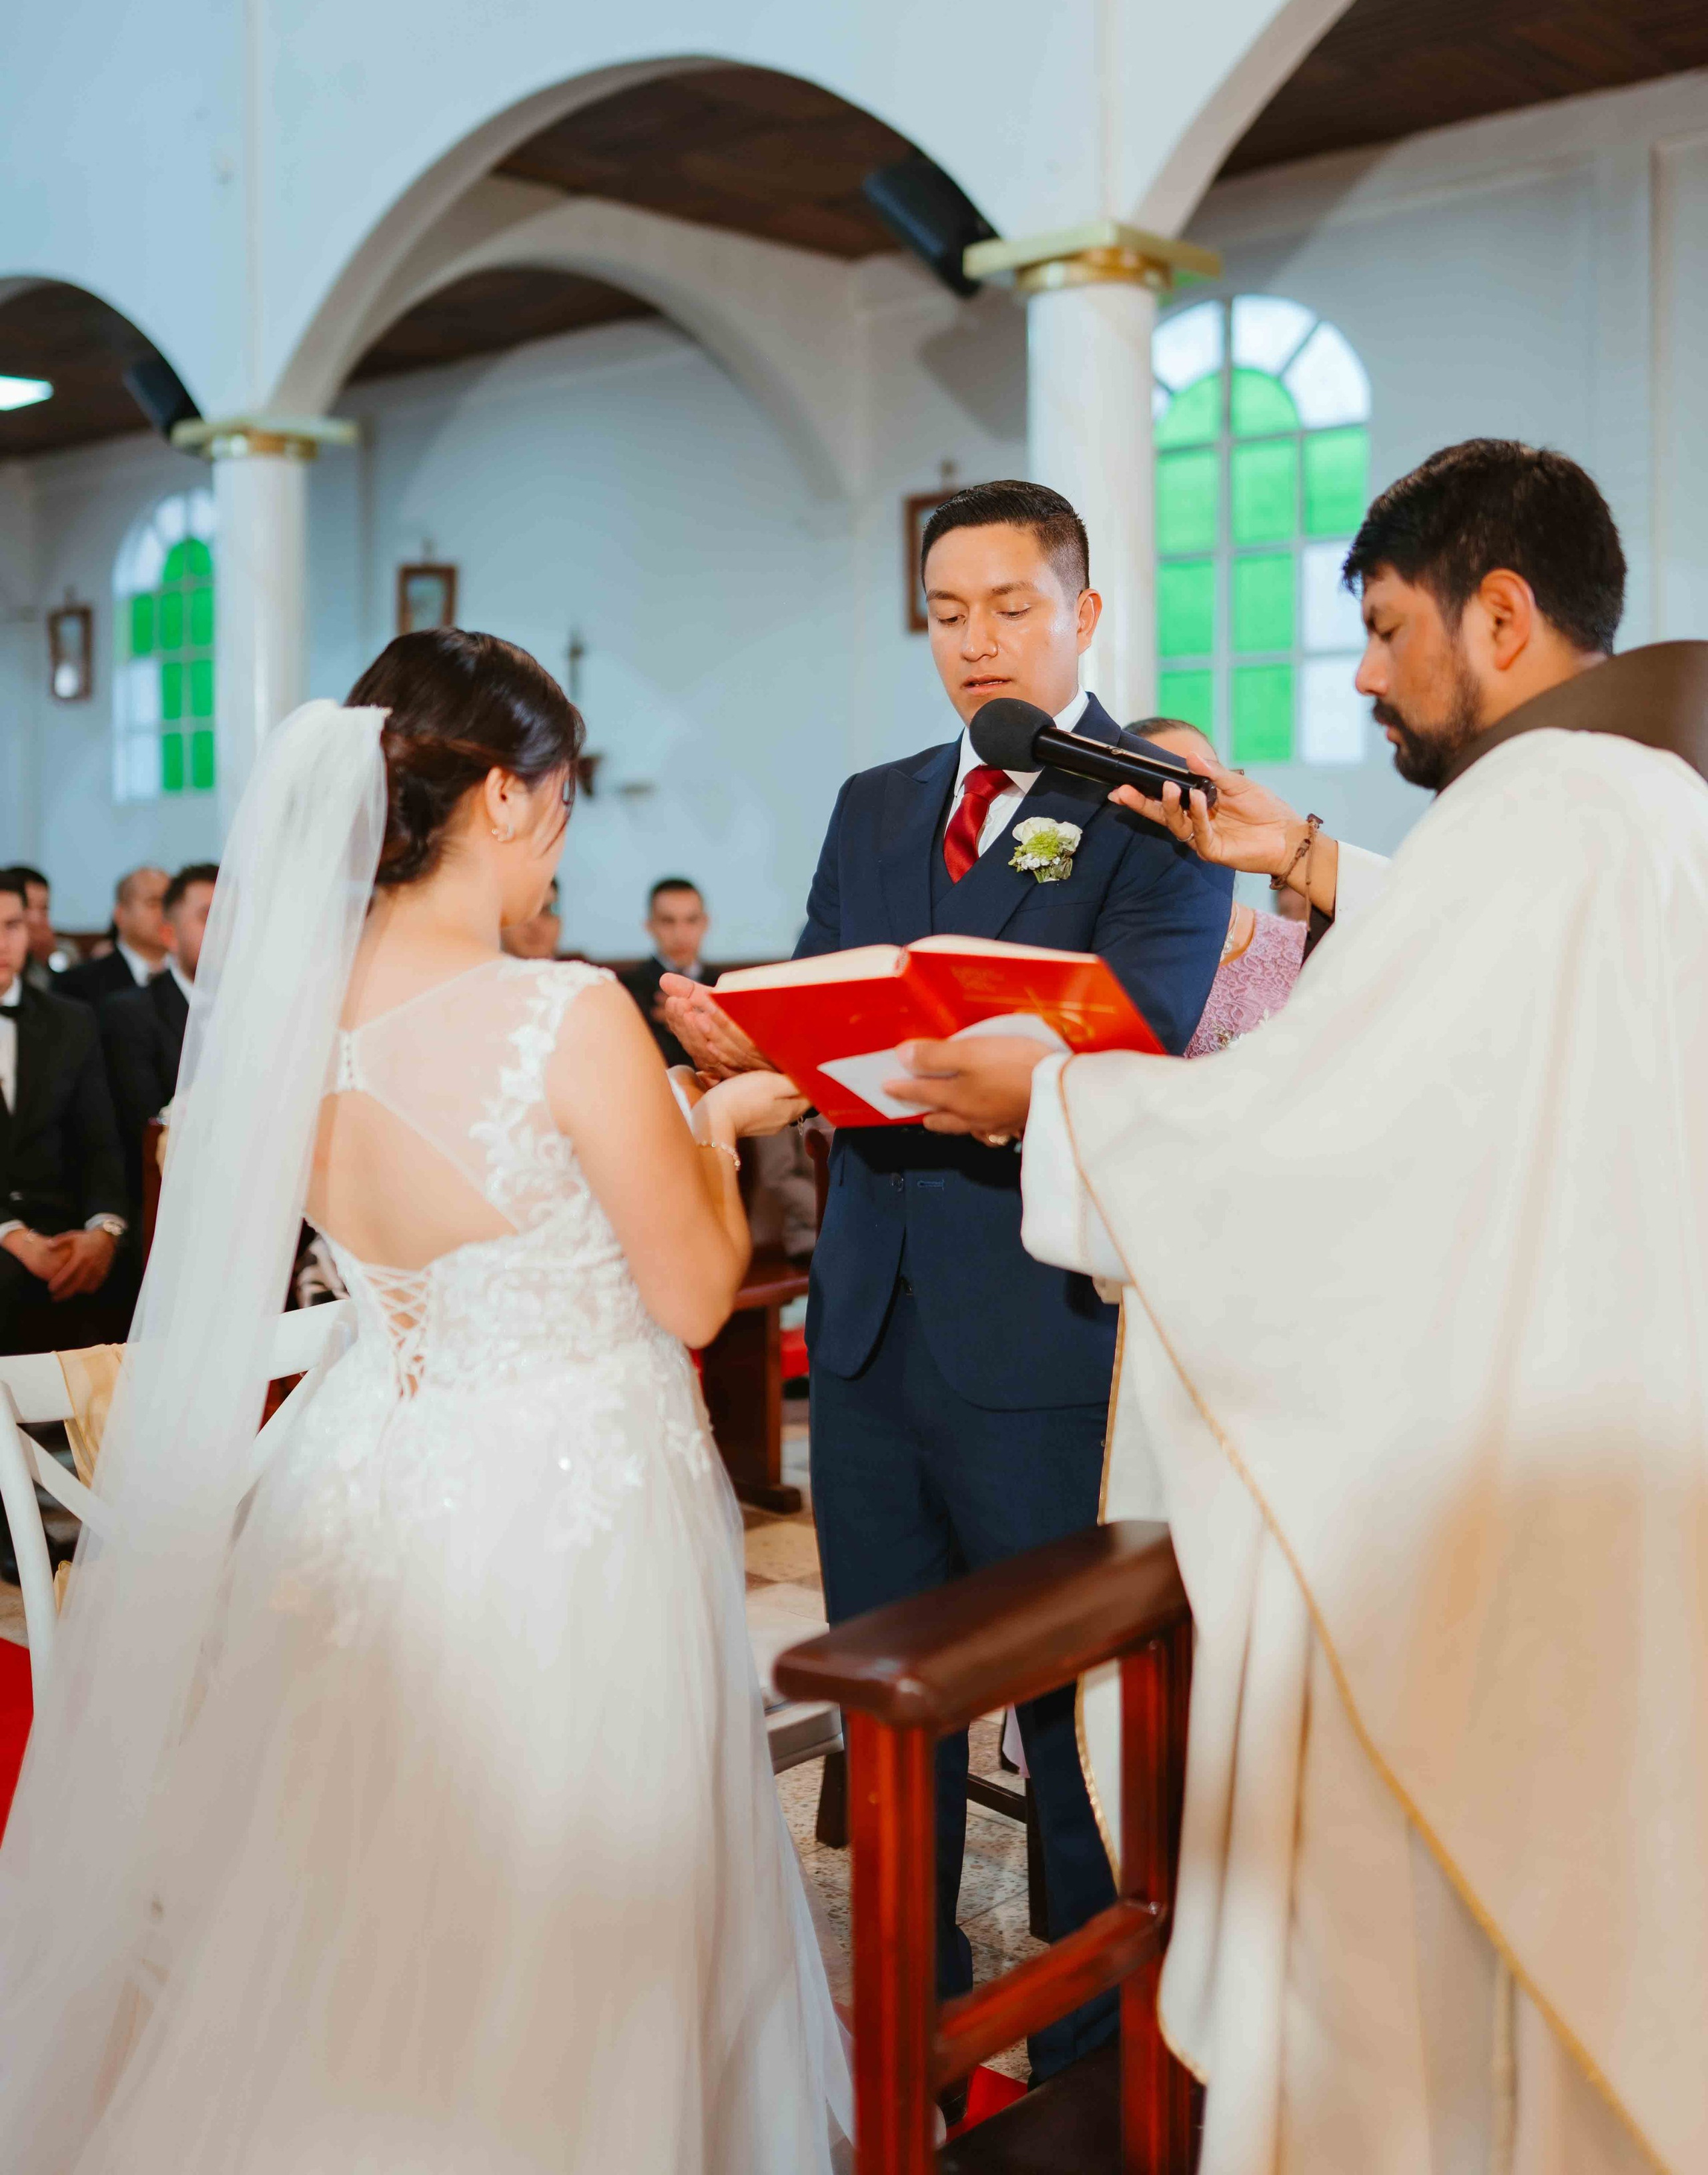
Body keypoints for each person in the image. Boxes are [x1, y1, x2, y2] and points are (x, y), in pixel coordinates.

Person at [887, 441, 1701, 2170]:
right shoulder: (1640, 802)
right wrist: (1315, 857)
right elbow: (1495, 1017)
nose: (1364, 678)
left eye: (1388, 631)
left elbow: (1318, 1136)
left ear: (1498, 616)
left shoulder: (1535, 817)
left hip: (1515, 1479)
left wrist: (1054, 1102)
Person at [0, 629, 849, 2175]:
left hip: (368, 1481)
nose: (560, 845)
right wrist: (719, 1123)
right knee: (577, 1891)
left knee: (365, 1897)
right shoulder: (561, 1012)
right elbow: (688, 1292)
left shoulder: (291, 1014)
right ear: (507, 797)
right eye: (564, 806)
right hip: (565, 1499)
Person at [663, 479, 1229, 2092]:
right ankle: (913, 2036)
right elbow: (818, 996)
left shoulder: (1152, 806)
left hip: (1036, 1330)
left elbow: (1144, 1032)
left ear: (1083, 614)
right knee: (885, 1702)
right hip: (864, 1323)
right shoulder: (876, 801)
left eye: (1010, 607)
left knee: (1064, 1728)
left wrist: (987, 1067)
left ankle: (1087, 2069)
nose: (976, 641)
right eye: (946, 613)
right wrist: (749, 1045)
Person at [0, 868, 129, 1357]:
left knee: (129, 1273)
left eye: (12, 925)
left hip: (61, 1222)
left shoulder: (71, 1021)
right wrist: (15, 1237)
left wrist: (104, 1231)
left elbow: (101, 1145)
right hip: (6, 1236)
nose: (2, 942)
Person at [1128, 719, 1306, 1054]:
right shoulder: (1097, 942)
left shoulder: (1297, 948)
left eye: (1203, 785)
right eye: (1165, 790)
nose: (1190, 806)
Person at [99, 863, 217, 1221]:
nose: (226, 930)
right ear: (170, 935)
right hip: (169, 1200)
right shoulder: (131, 1013)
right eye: (209, 917)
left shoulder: (266, 1011)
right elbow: (143, 1128)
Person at [620, 876, 715, 1070]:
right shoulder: (627, 990)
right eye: (668, 921)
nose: (680, 933)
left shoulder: (724, 986)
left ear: (705, 923)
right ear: (650, 926)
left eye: (691, 920)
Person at [59, 865, 169, 1007]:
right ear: (120, 914)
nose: (166, 913)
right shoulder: (77, 984)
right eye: (153, 903)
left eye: (170, 904)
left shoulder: (193, 978)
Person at [7, 864, 65, 993]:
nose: (36, 918)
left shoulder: (63, 949)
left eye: (44, 908)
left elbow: (69, 988)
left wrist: (49, 957)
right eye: (28, 906)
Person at [500, 873, 562, 959]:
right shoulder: (484, 966)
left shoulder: (579, 966)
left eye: (546, 911)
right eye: (522, 913)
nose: (535, 924)